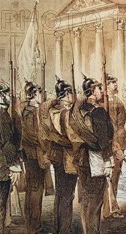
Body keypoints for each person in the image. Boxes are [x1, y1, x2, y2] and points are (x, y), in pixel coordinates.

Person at [68, 75, 114, 234]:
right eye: (99, 88)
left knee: (87, 199)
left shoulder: (77, 110)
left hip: (81, 159)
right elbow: (102, 139)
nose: (102, 91)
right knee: (95, 201)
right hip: (96, 159)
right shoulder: (98, 111)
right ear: (92, 92)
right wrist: (108, 160)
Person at [39, 77, 78, 233]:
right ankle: (64, 230)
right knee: (67, 195)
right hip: (66, 156)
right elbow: (70, 136)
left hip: (55, 155)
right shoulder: (65, 113)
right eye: (70, 93)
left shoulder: (50, 111)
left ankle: (58, 228)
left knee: (60, 194)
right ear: (67, 94)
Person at [17, 81, 48, 234]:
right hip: (34, 155)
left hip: (36, 154)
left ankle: (34, 223)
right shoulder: (30, 112)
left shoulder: (33, 110)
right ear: (34, 94)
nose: (43, 95)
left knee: (35, 189)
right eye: (40, 92)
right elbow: (30, 135)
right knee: (35, 189)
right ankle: (34, 226)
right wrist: (45, 144)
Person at [103, 74, 126, 218]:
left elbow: (122, 121)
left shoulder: (115, 101)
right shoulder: (105, 102)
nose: (116, 85)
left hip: (118, 139)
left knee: (115, 175)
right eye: (113, 83)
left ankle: (110, 207)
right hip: (113, 141)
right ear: (107, 85)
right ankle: (111, 208)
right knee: (111, 175)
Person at [0, 82, 22, 234]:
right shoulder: (2, 116)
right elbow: (7, 144)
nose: (9, 97)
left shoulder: (4, 113)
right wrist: (13, 165)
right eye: (6, 93)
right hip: (2, 166)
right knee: (0, 205)